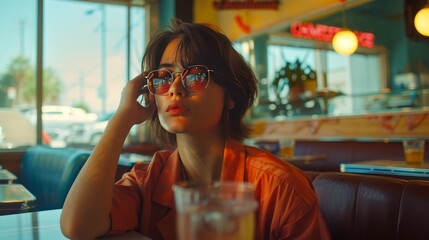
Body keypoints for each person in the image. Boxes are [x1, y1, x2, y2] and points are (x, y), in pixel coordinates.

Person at [60, 19, 331, 240]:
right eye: (164, 77)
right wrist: (122, 119)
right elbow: (78, 226)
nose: (175, 88)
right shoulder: (150, 179)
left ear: (231, 96)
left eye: (195, 75)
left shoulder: (281, 188)